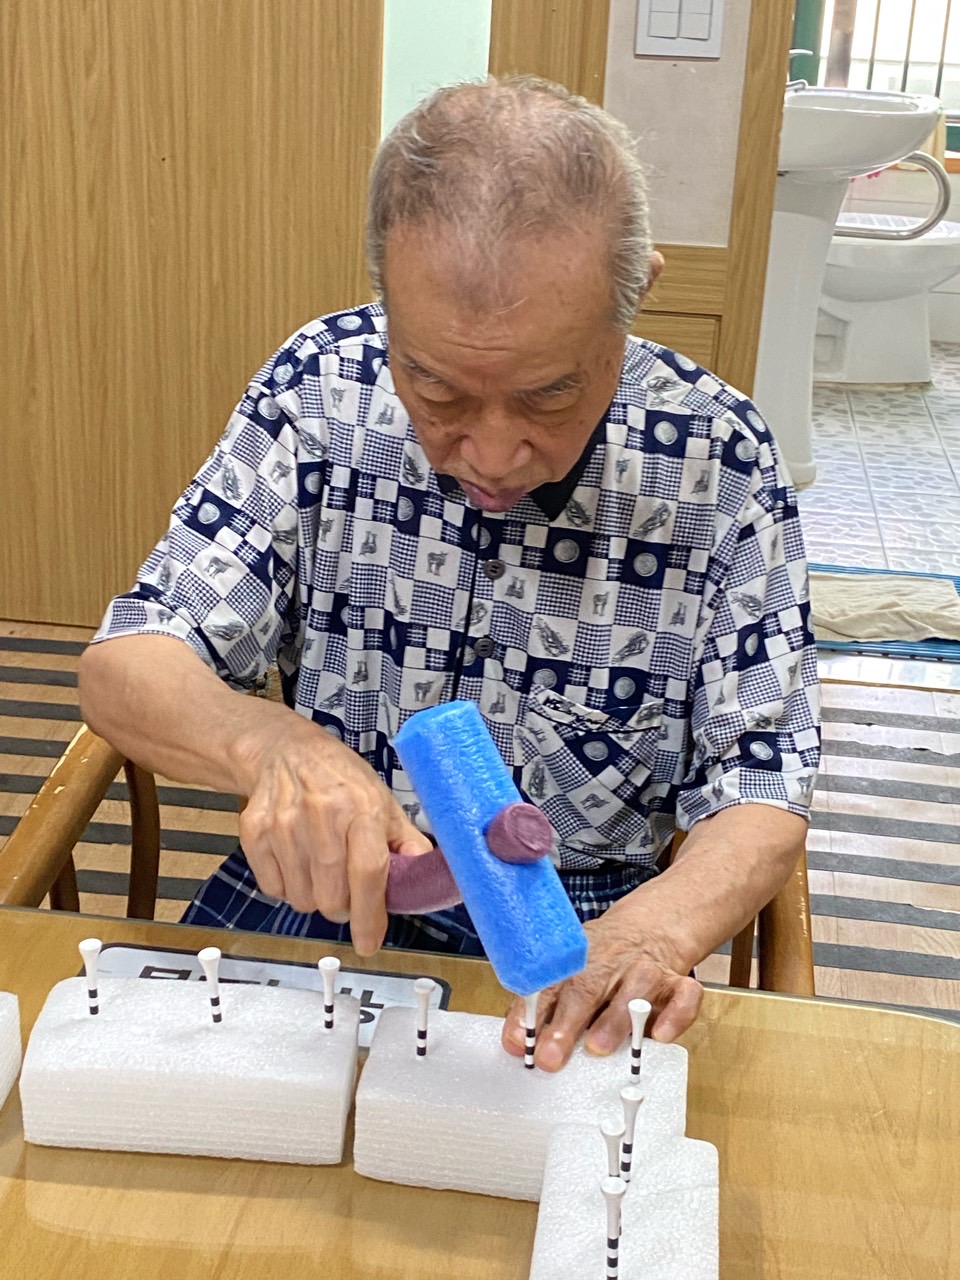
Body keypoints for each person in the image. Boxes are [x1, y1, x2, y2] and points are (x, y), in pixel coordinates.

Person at [78, 75, 821, 1072]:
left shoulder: (716, 462)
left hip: (581, 925)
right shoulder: (322, 387)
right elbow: (128, 661)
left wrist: (660, 927)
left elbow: (760, 778)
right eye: (435, 387)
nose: (493, 454)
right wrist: (270, 743)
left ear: (636, 293)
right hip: (332, 897)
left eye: (549, 393)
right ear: (386, 301)